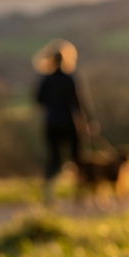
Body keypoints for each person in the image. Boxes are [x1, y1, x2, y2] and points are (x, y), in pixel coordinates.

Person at [33, 40, 90, 205]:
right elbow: (78, 102)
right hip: (70, 122)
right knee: (77, 159)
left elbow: (39, 100)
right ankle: (79, 195)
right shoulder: (70, 78)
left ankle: (48, 193)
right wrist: (88, 121)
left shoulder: (46, 79)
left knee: (54, 159)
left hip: (51, 123)